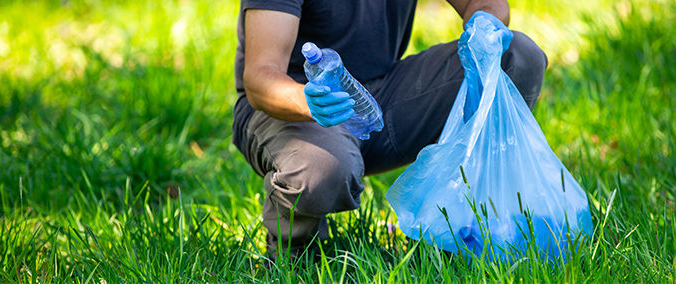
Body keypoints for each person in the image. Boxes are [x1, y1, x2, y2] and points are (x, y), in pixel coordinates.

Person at [232, 0, 548, 256]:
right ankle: (295, 253)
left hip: (380, 96)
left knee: (516, 57)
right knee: (321, 169)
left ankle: (458, 223)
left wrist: (485, 24)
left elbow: (485, 3)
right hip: (291, 106)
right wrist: (305, 101)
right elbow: (260, 78)